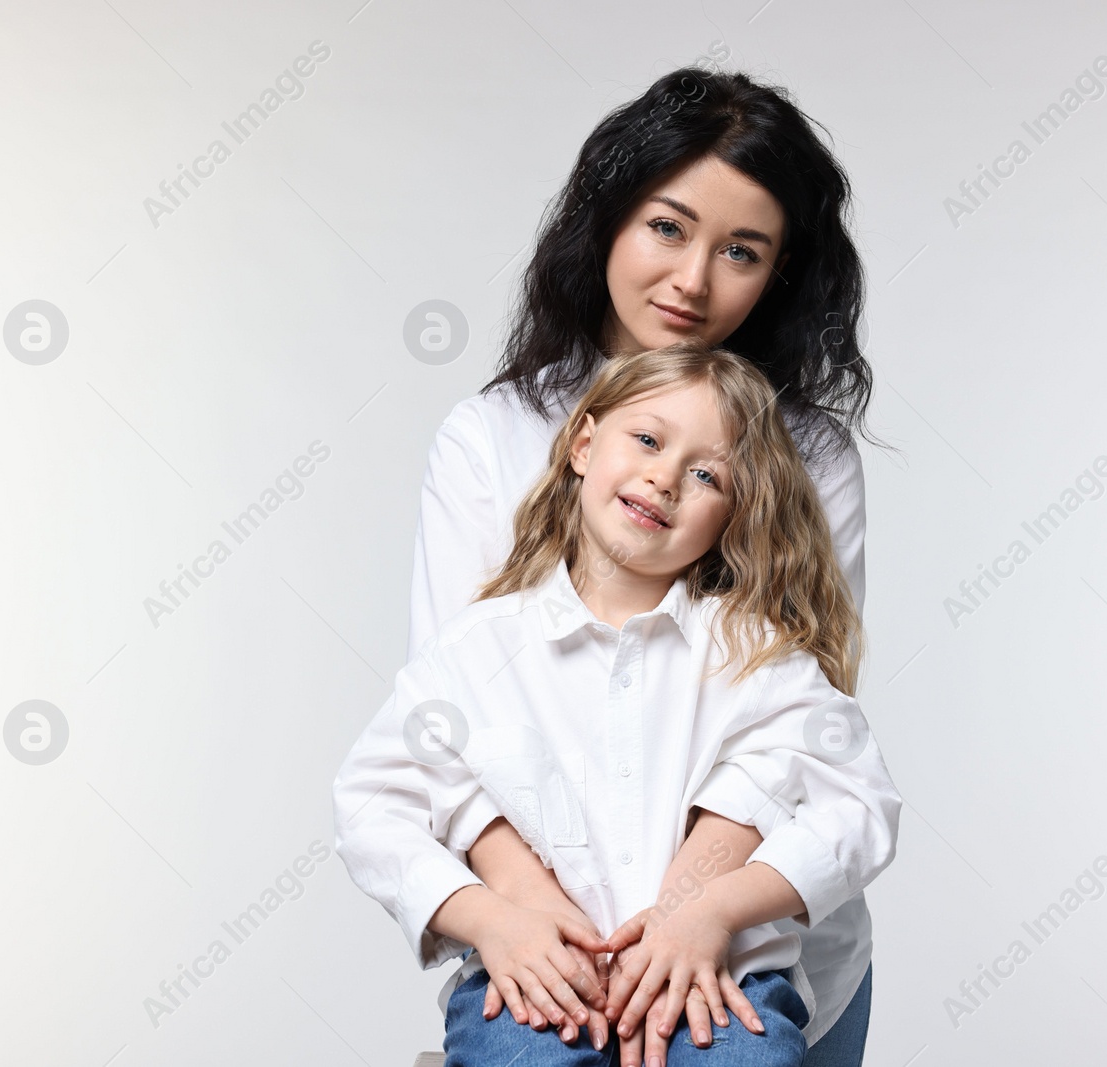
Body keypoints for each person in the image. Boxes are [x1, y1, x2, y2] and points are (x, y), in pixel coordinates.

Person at [407, 65, 887, 1065]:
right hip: (550, 967)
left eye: (741, 251)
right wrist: (566, 934)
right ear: (607, 222)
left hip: (753, 963)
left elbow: (799, 738)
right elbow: (451, 734)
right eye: (667, 227)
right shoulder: (491, 438)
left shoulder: (810, 456)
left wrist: (679, 925)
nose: (692, 281)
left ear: (780, 274)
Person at [334, 343, 900, 1066]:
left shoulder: (759, 655)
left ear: (734, 514)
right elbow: (370, 802)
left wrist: (715, 912)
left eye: (705, 474)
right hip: (532, 985)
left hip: (721, 982)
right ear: (583, 444)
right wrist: (489, 919)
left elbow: (862, 802)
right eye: (647, 439)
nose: (665, 477)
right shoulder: (476, 650)